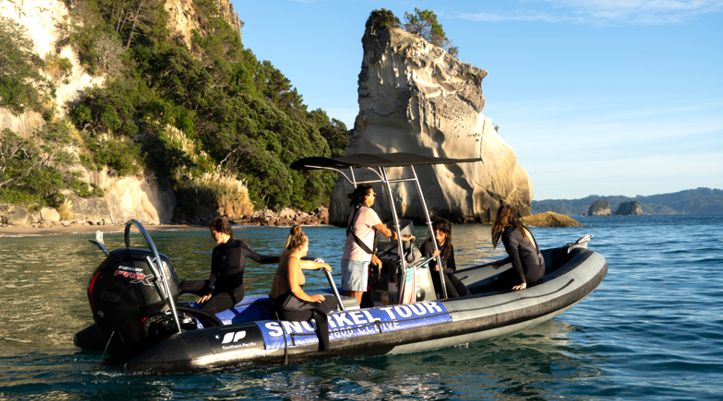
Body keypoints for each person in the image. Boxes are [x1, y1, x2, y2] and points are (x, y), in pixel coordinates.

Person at [180, 217, 278, 314]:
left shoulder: (240, 246)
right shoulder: (217, 251)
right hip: (218, 287)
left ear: (221, 231)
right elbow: (214, 274)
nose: (212, 236)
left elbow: (260, 259)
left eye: (213, 233)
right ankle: (168, 309)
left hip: (233, 292)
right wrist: (210, 291)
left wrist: (281, 258)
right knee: (183, 285)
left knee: (205, 311)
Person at [341, 184, 414, 305]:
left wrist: (372, 255)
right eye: (373, 194)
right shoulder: (368, 212)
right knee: (357, 295)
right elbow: (385, 232)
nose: (374, 197)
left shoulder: (355, 210)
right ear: (366, 197)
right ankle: (354, 320)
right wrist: (403, 238)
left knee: (349, 294)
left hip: (348, 257)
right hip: (358, 260)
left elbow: (359, 235)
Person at [270, 225, 337, 351]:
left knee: (330, 299)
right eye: (307, 245)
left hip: (281, 304)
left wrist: (322, 265)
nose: (308, 248)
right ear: (301, 246)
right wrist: (311, 298)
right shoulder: (292, 260)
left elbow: (306, 264)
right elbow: (294, 288)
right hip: (286, 309)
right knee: (322, 307)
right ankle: (325, 351)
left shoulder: (288, 256)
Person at [491, 204, 545, 291]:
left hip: (530, 274)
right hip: (541, 270)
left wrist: (523, 282)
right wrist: (503, 262)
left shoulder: (508, 234)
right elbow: (524, 253)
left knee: (497, 280)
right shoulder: (522, 228)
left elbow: (515, 259)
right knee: (505, 275)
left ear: (500, 217)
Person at [420, 218, 469, 298]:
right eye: (435, 229)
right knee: (442, 274)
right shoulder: (428, 245)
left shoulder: (449, 247)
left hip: (445, 274)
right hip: (433, 278)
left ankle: (466, 295)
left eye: (440, 230)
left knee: (450, 276)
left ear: (446, 233)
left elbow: (452, 269)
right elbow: (423, 267)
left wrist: (442, 269)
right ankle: (455, 298)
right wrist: (432, 259)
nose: (437, 232)